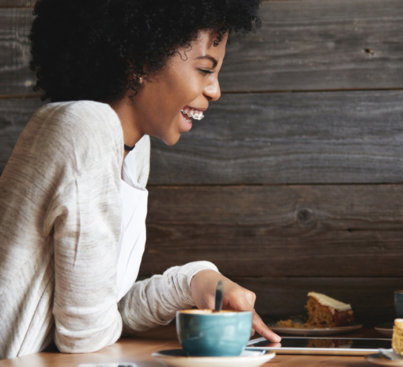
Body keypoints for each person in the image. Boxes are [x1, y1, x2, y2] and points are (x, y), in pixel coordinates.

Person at [0, 0, 281, 358]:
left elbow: (103, 310)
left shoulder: (132, 152)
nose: (214, 90)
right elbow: (84, 336)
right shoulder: (86, 128)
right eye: (204, 69)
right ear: (139, 62)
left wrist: (195, 281)